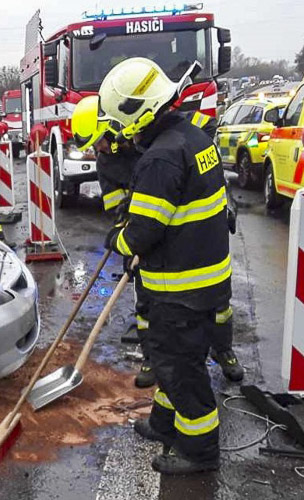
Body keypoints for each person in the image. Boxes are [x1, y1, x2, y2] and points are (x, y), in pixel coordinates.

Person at [100, 58, 230, 474]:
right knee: (172, 358)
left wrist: (116, 238)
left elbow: (141, 234)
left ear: (137, 113)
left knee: (180, 368)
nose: (121, 129)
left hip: (180, 287)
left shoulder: (161, 158)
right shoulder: (192, 136)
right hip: (205, 279)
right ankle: (163, 423)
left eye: (121, 119)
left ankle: (199, 451)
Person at [72, 96, 244, 388]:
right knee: (148, 303)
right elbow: (117, 208)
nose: (97, 149)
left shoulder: (157, 135)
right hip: (149, 235)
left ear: (112, 126)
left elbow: (207, 136)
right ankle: (152, 357)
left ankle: (223, 349)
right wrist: (127, 238)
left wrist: (222, 199)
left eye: (99, 140)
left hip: (188, 231)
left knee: (217, 301)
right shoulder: (107, 164)